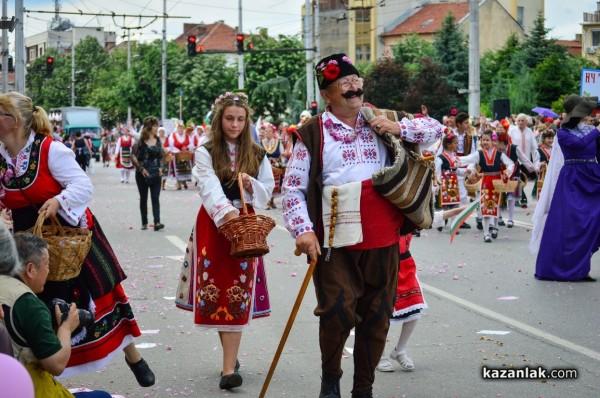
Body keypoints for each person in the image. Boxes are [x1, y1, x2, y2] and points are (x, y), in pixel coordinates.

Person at [281, 53, 443, 398]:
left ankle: (364, 388)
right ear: (327, 93)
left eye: (357, 82)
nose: (354, 88)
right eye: (345, 84)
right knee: (337, 311)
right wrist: (304, 231)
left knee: (378, 314)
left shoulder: (381, 118)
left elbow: (435, 130)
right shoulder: (311, 133)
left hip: (383, 237)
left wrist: (399, 128)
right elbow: (292, 188)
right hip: (334, 240)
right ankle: (330, 379)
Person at [0, 92, 155, 386]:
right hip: (24, 238)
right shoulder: (1, 155)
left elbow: (83, 185)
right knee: (39, 306)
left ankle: (133, 355)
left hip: (67, 234)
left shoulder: (50, 150)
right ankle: (51, 378)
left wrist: (59, 200)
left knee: (103, 297)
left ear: (15, 121)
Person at [177, 91, 274, 390]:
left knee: (237, 289)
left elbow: (267, 191)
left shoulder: (258, 153)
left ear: (247, 122)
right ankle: (229, 357)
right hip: (214, 223)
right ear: (220, 120)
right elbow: (207, 186)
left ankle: (228, 369)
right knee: (217, 291)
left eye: (241, 119)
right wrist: (227, 215)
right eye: (230, 119)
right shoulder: (206, 150)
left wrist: (251, 184)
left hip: (245, 224)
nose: (235, 124)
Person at [0, 228, 112, 397]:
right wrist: (66, 328)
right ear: (30, 269)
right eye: (47, 265)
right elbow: (56, 365)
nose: (48, 271)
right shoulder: (29, 304)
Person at [531, 94, 600, 282]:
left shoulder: (592, 131)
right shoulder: (563, 133)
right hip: (572, 180)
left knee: (593, 222)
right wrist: (597, 131)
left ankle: (583, 264)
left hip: (593, 178)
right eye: (585, 112)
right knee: (571, 225)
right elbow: (578, 145)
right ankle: (571, 268)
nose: (588, 115)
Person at [459, 130, 514, 243]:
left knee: (495, 205)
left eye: (487, 140)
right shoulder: (479, 154)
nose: (484, 142)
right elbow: (467, 159)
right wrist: (454, 160)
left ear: (493, 141)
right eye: (483, 139)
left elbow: (510, 163)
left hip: (497, 182)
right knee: (485, 207)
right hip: (485, 182)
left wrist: (508, 171)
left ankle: (495, 227)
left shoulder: (499, 154)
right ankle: (486, 233)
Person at [131, 116, 165, 231]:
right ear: (149, 127)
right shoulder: (139, 141)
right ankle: (144, 222)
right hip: (142, 174)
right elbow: (133, 156)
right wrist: (141, 169)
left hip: (156, 173)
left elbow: (161, 156)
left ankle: (157, 222)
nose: (157, 128)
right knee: (143, 198)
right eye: (155, 126)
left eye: (157, 125)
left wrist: (161, 167)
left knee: (155, 198)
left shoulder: (158, 140)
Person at [508, 114, 539, 208]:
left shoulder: (529, 131)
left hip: (527, 159)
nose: (521, 122)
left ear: (526, 122)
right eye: (519, 121)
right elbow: (508, 144)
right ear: (516, 121)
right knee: (518, 178)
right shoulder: (512, 131)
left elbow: (534, 146)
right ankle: (523, 198)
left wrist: (536, 159)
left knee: (524, 179)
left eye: (523, 121)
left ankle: (518, 197)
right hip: (515, 159)